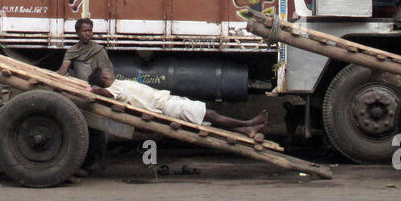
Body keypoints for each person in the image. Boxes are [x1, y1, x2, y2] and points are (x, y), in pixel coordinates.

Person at [88, 67, 267, 141]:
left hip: (168, 102)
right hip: (166, 107)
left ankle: (245, 130)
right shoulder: (114, 89)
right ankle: (247, 123)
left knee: (209, 121)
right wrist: (91, 89)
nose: (110, 71)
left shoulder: (117, 85)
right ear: (104, 77)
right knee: (210, 114)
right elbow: (100, 92)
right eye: (106, 72)